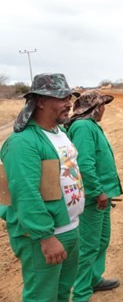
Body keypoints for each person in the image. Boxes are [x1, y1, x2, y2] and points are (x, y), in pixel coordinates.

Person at [0, 73, 85, 301]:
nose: (69, 103)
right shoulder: (23, 142)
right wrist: (45, 237)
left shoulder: (60, 132)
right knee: (42, 296)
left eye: (69, 97)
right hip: (44, 237)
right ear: (40, 101)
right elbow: (24, 193)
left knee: (60, 292)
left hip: (69, 228)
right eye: (61, 98)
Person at [66, 90, 123, 300]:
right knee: (89, 246)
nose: (104, 109)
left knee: (101, 240)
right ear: (94, 107)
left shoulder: (90, 126)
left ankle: (93, 279)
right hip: (93, 197)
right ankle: (81, 293)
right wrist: (97, 191)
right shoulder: (82, 127)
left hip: (102, 195)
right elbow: (84, 164)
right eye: (102, 105)